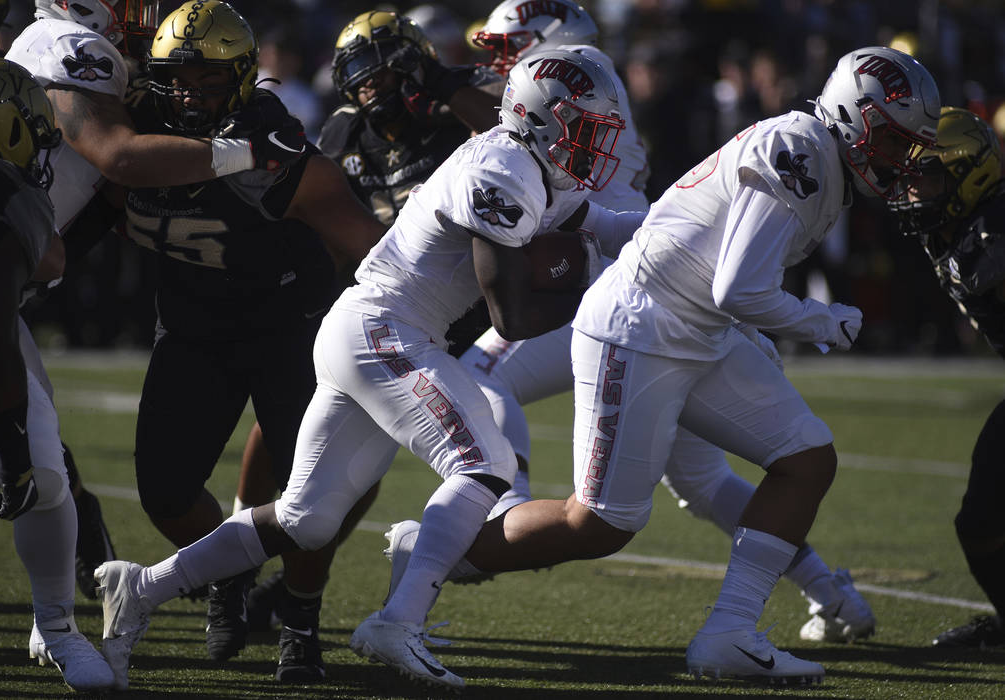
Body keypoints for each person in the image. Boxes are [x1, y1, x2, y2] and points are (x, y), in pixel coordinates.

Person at [386, 44, 940, 686]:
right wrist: (823, 321)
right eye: (895, 140)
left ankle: (731, 632)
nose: (900, 158)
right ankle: (433, 552)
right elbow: (741, 288)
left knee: (807, 457)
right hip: (639, 329)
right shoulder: (802, 150)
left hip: (695, 326)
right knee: (598, 523)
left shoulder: (816, 153)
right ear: (856, 116)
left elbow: (724, 283)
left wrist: (754, 334)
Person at [93, 45, 641, 691]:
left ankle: (142, 588)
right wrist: (603, 291)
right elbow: (512, 317)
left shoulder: (530, 163)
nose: (594, 144)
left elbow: (611, 224)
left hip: (368, 329)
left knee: (305, 517)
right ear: (543, 118)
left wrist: (688, 232)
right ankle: (399, 621)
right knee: (485, 463)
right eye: (585, 127)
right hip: (387, 329)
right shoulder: (504, 167)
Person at [72, 0, 383, 689]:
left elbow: (368, 243)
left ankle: (300, 620)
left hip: (288, 329)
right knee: (165, 491)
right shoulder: (139, 122)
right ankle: (230, 572)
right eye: (175, 78)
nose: (186, 93)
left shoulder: (276, 150)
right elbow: (112, 163)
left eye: (206, 79)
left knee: (313, 492)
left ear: (242, 77)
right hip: (192, 328)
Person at [233, 9, 503, 681]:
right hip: (371, 307)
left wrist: (442, 82)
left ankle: (289, 589)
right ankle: (238, 566)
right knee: (280, 422)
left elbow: (507, 138)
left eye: (388, 72)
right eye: (362, 76)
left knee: (362, 477)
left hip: (452, 321)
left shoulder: (457, 113)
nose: (375, 88)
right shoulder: (342, 133)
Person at [3, 0, 297, 601]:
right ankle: (72, 610)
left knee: (37, 463)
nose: (142, 12)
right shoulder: (66, 45)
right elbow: (121, 159)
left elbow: (101, 199)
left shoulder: (86, 59)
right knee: (22, 462)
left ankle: (64, 616)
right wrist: (246, 152)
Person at [0, 55, 114, 692]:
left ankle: (55, 629)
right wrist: (14, 457)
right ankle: (56, 626)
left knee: (44, 475)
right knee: (40, 476)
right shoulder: (0, 190)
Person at [888, 106, 1005, 649]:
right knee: (979, 521)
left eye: (929, 177)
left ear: (970, 172)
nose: (915, 193)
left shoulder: (994, 232)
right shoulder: (960, 229)